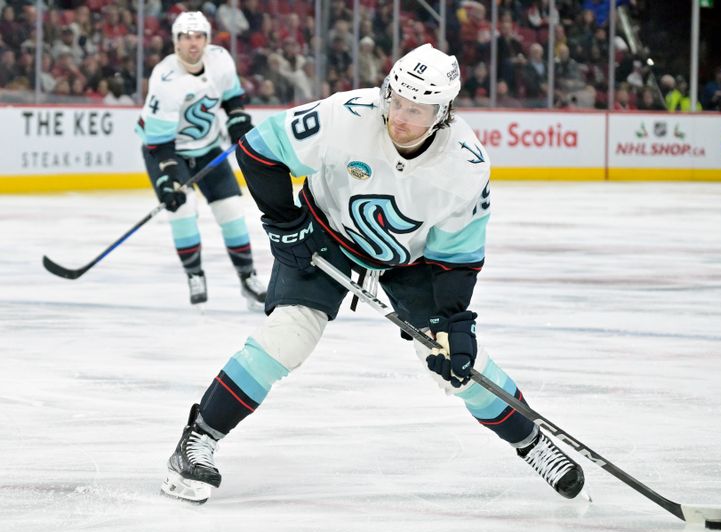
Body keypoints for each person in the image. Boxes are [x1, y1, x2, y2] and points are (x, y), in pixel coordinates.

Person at [160, 43, 585, 504]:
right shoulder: (346, 114)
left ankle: (532, 442)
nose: (400, 116)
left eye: (417, 109)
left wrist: (454, 321)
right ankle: (198, 439)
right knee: (288, 335)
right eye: (396, 100)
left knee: (454, 363)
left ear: (442, 113)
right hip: (324, 236)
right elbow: (259, 151)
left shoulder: (466, 166)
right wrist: (285, 224)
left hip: (411, 262)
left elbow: (458, 257)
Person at [136, 11, 267, 309]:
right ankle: (194, 274)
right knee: (182, 211)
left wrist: (237, 121)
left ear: (207, 39)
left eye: (198, 36)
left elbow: (233, 98)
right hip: (166, 149)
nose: (192, 43)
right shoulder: (165, 79)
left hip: (207, 146)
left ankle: (248, 279)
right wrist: (169, 177)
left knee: (232, 211)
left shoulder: (220, 60)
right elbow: (159, 143)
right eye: (185, 37)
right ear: (175, 42)